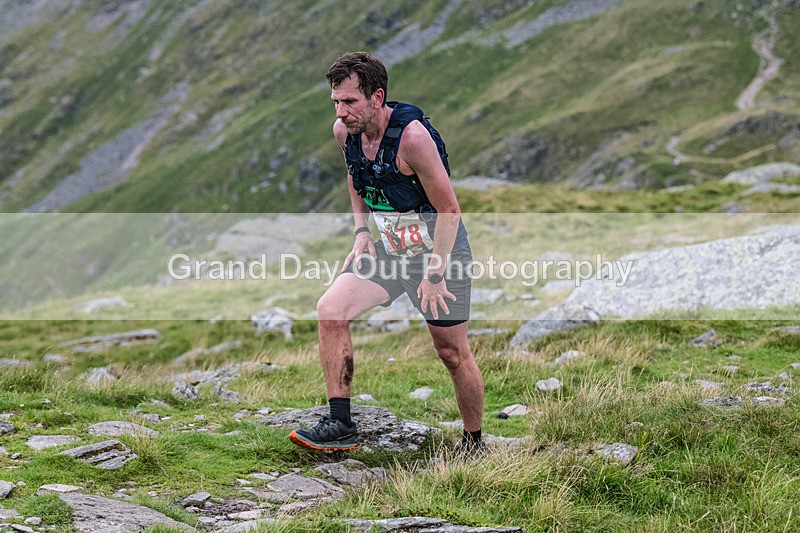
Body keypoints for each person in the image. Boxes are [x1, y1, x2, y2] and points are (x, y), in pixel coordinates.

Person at [289, 52, 484, 453]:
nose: (341, 113)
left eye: (350, 102)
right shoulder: (346, 132)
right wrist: (362, 231)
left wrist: (434, 273)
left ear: (377, 97)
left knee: (451, 351)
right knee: (331, 309)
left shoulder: (412, 139)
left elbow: (449, 211)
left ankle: (473, 442)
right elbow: (355, 176)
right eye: (336, 103)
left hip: (440, 250)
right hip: (391, 248)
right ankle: (340, 424)